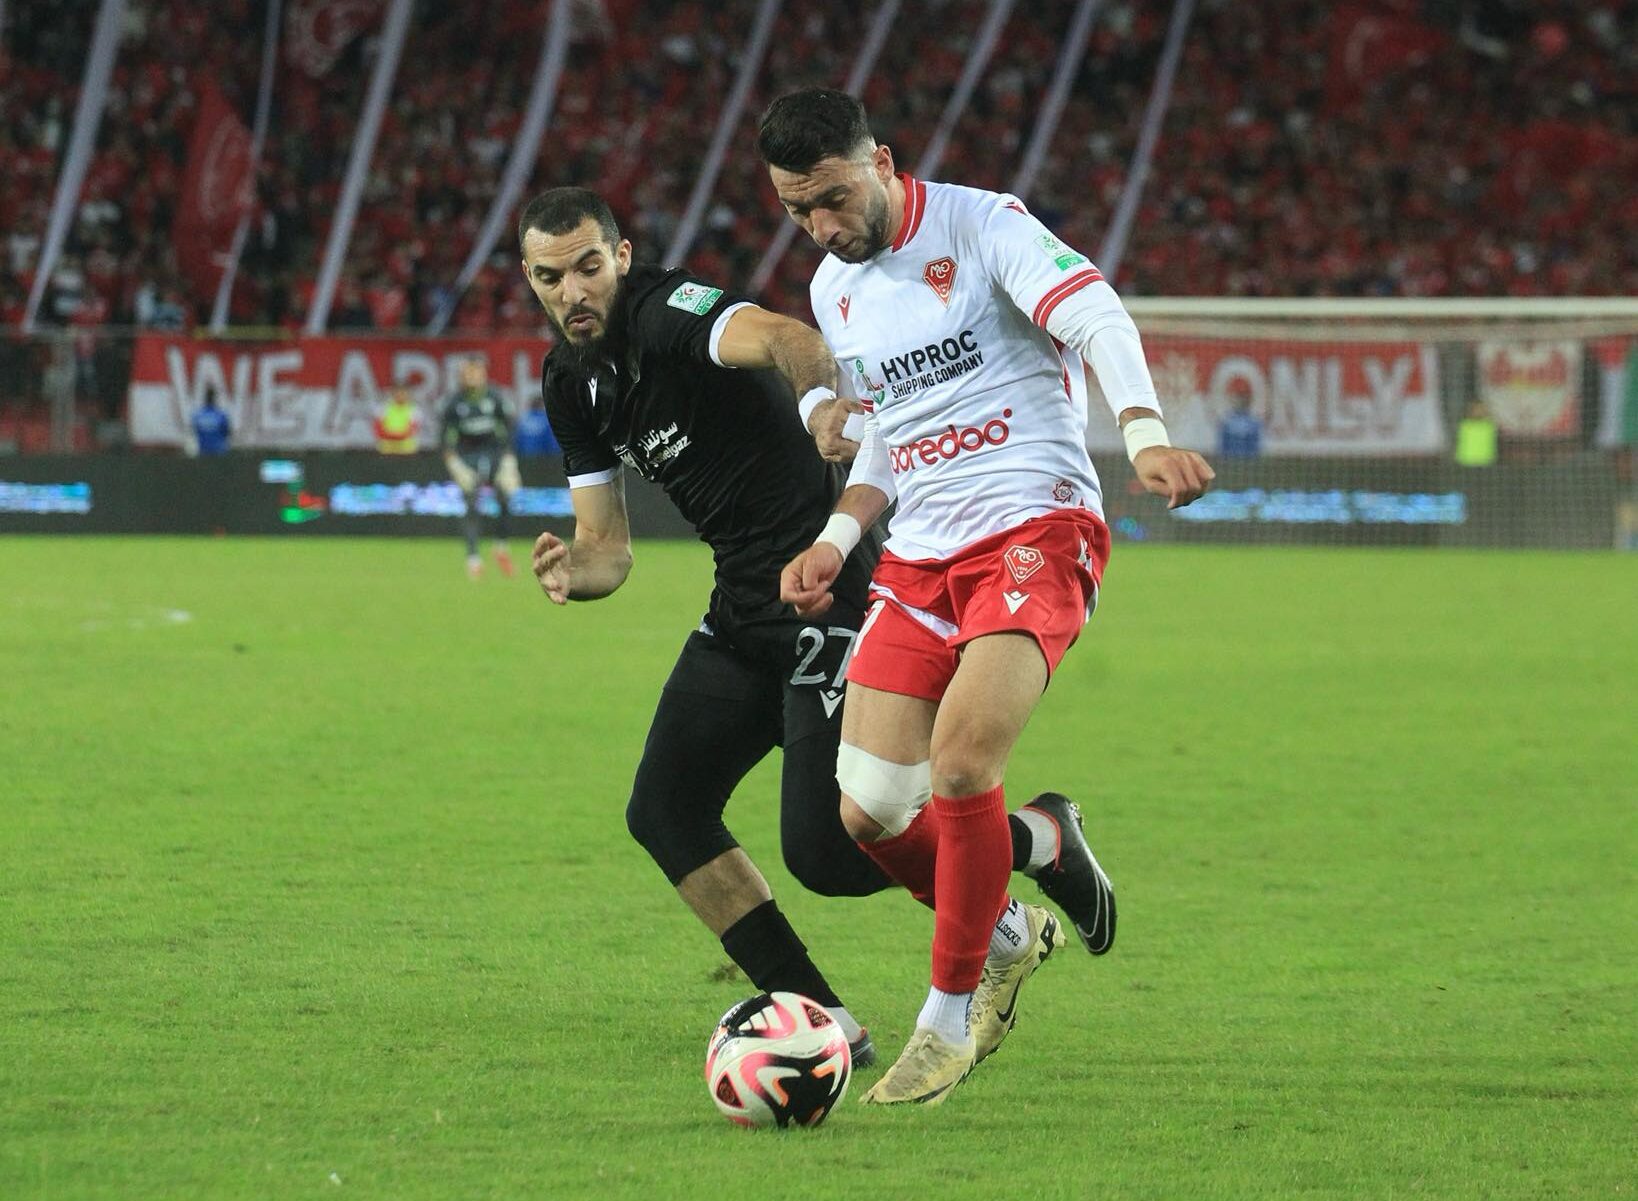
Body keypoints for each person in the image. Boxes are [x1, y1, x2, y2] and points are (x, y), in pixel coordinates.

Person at [520, 186, 1113, 1067]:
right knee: (665, 809)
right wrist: (576, 569)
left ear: (622, 258)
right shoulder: (572, 382)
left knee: (829, 852)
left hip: (827, 589)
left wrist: (814, 407)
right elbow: (608, 548)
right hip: (742, 605)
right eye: (549, 277)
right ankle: (822, 1023)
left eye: (588, 267)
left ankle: (1036, 841)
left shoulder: (670, 313)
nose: (572, 291)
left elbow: (789, 339)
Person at [759, 88, 1214, 1105]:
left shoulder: (983, 225)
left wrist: (1143, 433)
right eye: (796, 210)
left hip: (1033, 527)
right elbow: (892, 427)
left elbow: (1094, 310)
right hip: (919, 555)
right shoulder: (835, 289)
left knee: (964, 764)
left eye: (832, 198)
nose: (821, 226)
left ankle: (948, 1018)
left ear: (881, 161)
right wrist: (836, 536)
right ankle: (1017, 909)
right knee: (869, 811)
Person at [440, 357, 521, 578]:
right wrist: (452, 461)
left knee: (505, 498)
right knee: (471, 502)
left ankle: (501, 547)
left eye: (476, 373)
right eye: (468, 373)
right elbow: (444, 436)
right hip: (467, 457)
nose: (473, 378)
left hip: (495, 455)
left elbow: (509, 426)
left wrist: (508, 457)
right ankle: (473, 558)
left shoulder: (495, 397)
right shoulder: (454, 403)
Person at [1218, 380, 1263, 459]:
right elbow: (1223, 449)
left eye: (1243, 397)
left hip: (1249, 461)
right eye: (1238, 397)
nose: (1240, 400)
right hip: (1231, 461)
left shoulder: (1254, 423)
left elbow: (1256, 449)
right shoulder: (1226, 422)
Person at [375, 385, 421, 454]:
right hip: (387, 442)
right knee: (382, 445)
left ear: (407, 395)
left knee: (410, 445)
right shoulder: (384, 408)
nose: (400, 396)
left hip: (405, 443)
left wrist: (398, 436)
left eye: (403, 394)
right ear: (393, 394)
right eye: (397, 393)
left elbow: (413, 430)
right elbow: (378, 427)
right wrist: (390, 435)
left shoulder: (414, 409)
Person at [191, 387, 231, 456]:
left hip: (204, 453)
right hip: (218, 453)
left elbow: (195, 431)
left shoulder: (198, 416)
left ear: (205, 399)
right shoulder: (220, 415)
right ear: (214, 399)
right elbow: (227, 433)